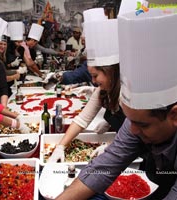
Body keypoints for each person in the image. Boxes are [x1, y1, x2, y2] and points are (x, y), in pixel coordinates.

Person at [56, 8, 177, 200]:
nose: (132, 130)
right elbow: (104, 166)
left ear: (175, 115)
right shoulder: (139, 119)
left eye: (143, 124)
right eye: (130, 120)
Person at [48, 16, 122, 163]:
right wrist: (60, 147)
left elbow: (137, 134)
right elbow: (82, 119)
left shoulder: (126, 94)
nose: (93, 81)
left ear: (110, 72)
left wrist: (112, 146)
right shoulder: (102, 90)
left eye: (95, 76)